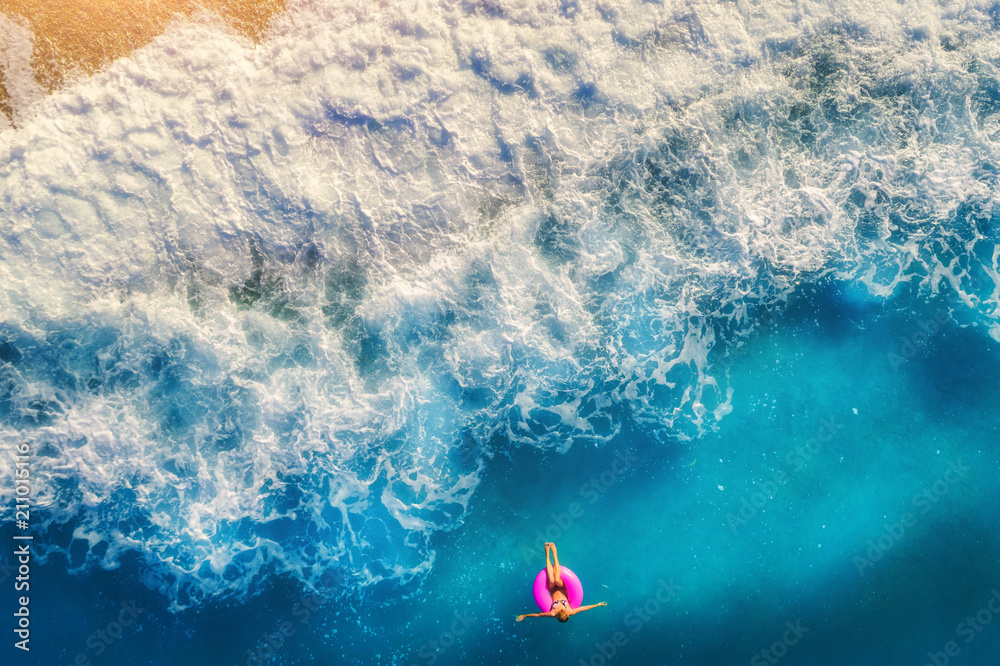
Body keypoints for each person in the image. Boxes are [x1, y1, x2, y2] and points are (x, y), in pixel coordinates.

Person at [516, 542, 607, 622]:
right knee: (556, 579)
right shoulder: (569, 611)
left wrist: (525, 616)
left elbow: (538, 614)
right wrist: (598, 604)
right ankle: (555, 555)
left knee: (551, 581)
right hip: (562, 586)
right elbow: (583, 608)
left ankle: (547, 553)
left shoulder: (552, 613)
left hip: (552, 588)